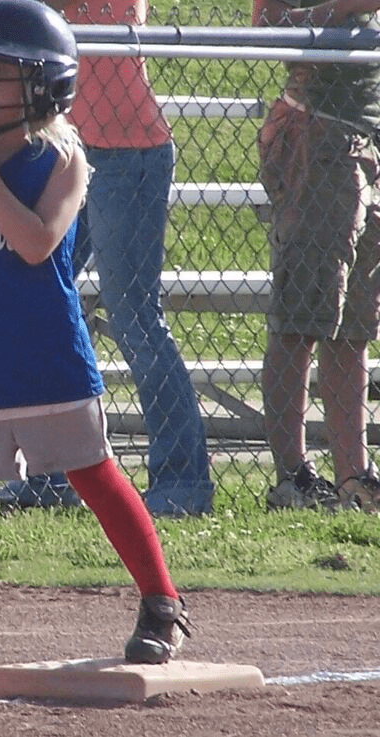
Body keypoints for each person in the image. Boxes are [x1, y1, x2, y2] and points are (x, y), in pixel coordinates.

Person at [0, 0, 190, 703]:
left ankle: (162, 603)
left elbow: (34, 241)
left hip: (50, 362)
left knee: (97, 481)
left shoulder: (63, 158)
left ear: (44, 84)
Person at [0, 0, 215, 517]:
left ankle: (183, 481)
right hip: (67, 146)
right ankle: (49, 474)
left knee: (134, 315)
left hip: (128, 150)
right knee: (42, 305)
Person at [254, 0, 380, 513]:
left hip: (368, 141)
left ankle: (354, 475)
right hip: (322, 136)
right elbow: (269, 21)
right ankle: (294, 478)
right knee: (301, 317)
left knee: (354, 327)